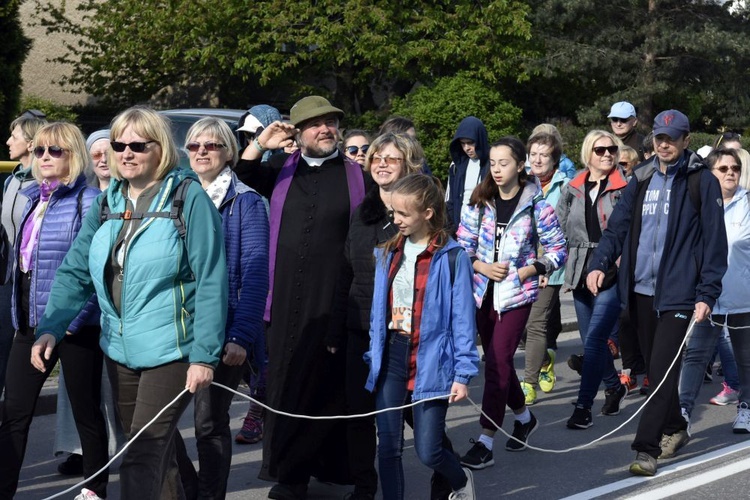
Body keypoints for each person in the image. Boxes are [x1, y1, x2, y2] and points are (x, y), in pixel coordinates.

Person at [31, 106, 228, 499]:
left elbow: (211, 280)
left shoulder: (187, 198)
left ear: (162, 149)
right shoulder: (108, 202)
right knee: (159, 454)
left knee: (141, 451)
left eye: (138, 144)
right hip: (119, 349)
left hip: (172, 350)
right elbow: (75, 271)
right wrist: (51, 327)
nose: (126, 152)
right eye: (119, 144)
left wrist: (204, 356)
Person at [234, 95, 366, 499]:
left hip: (335, 296)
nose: (325, 129)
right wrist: (262, 142)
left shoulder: (356, 175)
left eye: (331, 122)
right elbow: (242, 172)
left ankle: (332, 468)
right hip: (285, 297)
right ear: (299, 132)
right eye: (315, 124)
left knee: (330, 389)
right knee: (286, 386)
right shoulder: (280, 170)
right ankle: (290, 477)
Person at [586, 110, 727, 476]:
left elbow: (715, 243)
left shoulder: (701, 181)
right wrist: (599, 263)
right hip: (639, 290)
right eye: (659, 138)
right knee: (656, 369)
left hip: (680, 293)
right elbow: (616, 229)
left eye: (671, 138)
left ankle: (645, 448)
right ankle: (676, 427)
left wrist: (707, 294)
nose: (663, 144)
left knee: (660, 372)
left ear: (686, 140)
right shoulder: (642, 177)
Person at [0, 122, 109, 500]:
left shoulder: (90, 200)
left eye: (55, 150)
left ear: (73, 155)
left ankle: (95, 489)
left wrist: (68, 324)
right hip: (30, 324)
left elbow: (95, 273)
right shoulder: (32, 197)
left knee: (86, 413)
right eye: (40, 150)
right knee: (13, 413)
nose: (44, 157)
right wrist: (24, 322)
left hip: (76, 325)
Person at [366, 173, 479, 500]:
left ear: (427, 213)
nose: (396, 220)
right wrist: (373, 353)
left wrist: (462, 373)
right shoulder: (387, 253)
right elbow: (379, 310)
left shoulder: (453, 257)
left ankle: (461, 480)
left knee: (429, 451)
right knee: (388, 447)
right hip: (391, 356)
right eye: (393, 214)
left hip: (431, 361)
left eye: (403, 214)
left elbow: (462, 320)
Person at [173, 117, 269, 499]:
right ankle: (189, 490)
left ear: (229, 153)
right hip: (175, 326)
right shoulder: (175, 195)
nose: (200, 152)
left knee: (208, 424)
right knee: (156, 423)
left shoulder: (245, 202)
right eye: (194, 146)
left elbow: (256, 273)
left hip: (223, 329)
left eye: (211, 146)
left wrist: (241, 335)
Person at [456, 137, 566, 470]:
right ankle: (524, 417)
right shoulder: (480, 201)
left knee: (497, 363)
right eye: (493, 163)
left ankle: (486, 440)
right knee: (497, 363)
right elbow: (462, 246)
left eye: (504, 163)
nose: (498, 169)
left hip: (516, 297)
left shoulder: (537, 205)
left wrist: (526, 270)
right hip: (481, 295)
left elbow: (558, 251)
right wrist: (482, 267)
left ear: (521, 166)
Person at [329, 133, 427, 500]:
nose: (381, 164)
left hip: (403, 331)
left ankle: (447, 472)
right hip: (360, 327)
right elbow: (346, 271)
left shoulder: (420, 214)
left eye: (391, 158)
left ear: (409, 164)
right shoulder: (362, 212)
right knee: (358, 413)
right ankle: (365, 486)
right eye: (376, 158)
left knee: (414, 415)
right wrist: (335, 331)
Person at [555, 130, 629, 429]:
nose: (607, 154)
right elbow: (556, 227)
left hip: (613, 268)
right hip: (579, 268)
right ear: (589, 154)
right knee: (591, 340)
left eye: (612, 149)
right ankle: (614, 386)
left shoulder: (626, 187)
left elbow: (632, 228)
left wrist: (624, 258)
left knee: (596, 338)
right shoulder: (572, 188)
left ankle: (584, 406)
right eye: (600, 150)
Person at [678, 148, 750, 431]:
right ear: (710, 173)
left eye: (735, 168)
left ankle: (745, 407)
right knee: (695, 355)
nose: (731, 172)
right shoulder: (698, 204)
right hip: (707, 297)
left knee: (745, 359)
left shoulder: (747, 204)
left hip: (742, 297)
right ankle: (682, 411)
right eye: (723, 169)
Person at [521, 131, 570, 405]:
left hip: (549, 269)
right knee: (522, 328)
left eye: (544, 155)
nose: (538, 160)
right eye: (534, 154)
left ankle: (528, 384)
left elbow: (561, 231)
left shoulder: (564, 188)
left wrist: (546, 268)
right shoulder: (521, 184)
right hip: (519, 268)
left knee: (536, 324)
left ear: (555, 160)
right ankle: (544, 358)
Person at [0, 114, 47, 397]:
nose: (7, 141)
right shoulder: (10, 181)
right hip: (5, 279)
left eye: (14, 136)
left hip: (31, 282)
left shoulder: (43, 184)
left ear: (30, 144)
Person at [445, 117, 490, 234]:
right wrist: (452, 228)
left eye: (470, 142)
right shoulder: (456, 165)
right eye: (462, 143)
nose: (466, 148)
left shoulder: (493, 164)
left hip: (485, 231)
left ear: (480, 139)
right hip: (459, 230)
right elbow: (449, 200)